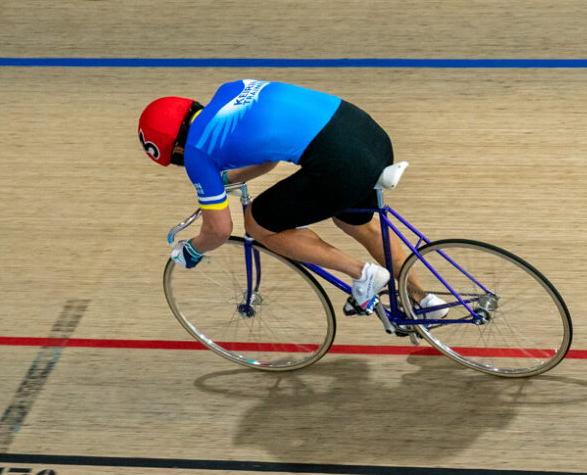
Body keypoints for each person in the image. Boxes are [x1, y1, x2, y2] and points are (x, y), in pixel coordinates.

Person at [137, 81, 438, 321]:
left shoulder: (196, 152)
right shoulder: (231, 89)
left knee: (257, 223)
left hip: (340, 164)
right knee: (358, 222)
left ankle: (363, 274)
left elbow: (219, 231)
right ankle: (426, 300)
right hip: (367, 134)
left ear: (174, 151)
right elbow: (267, 158)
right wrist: (223, 182)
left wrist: (192, 249)